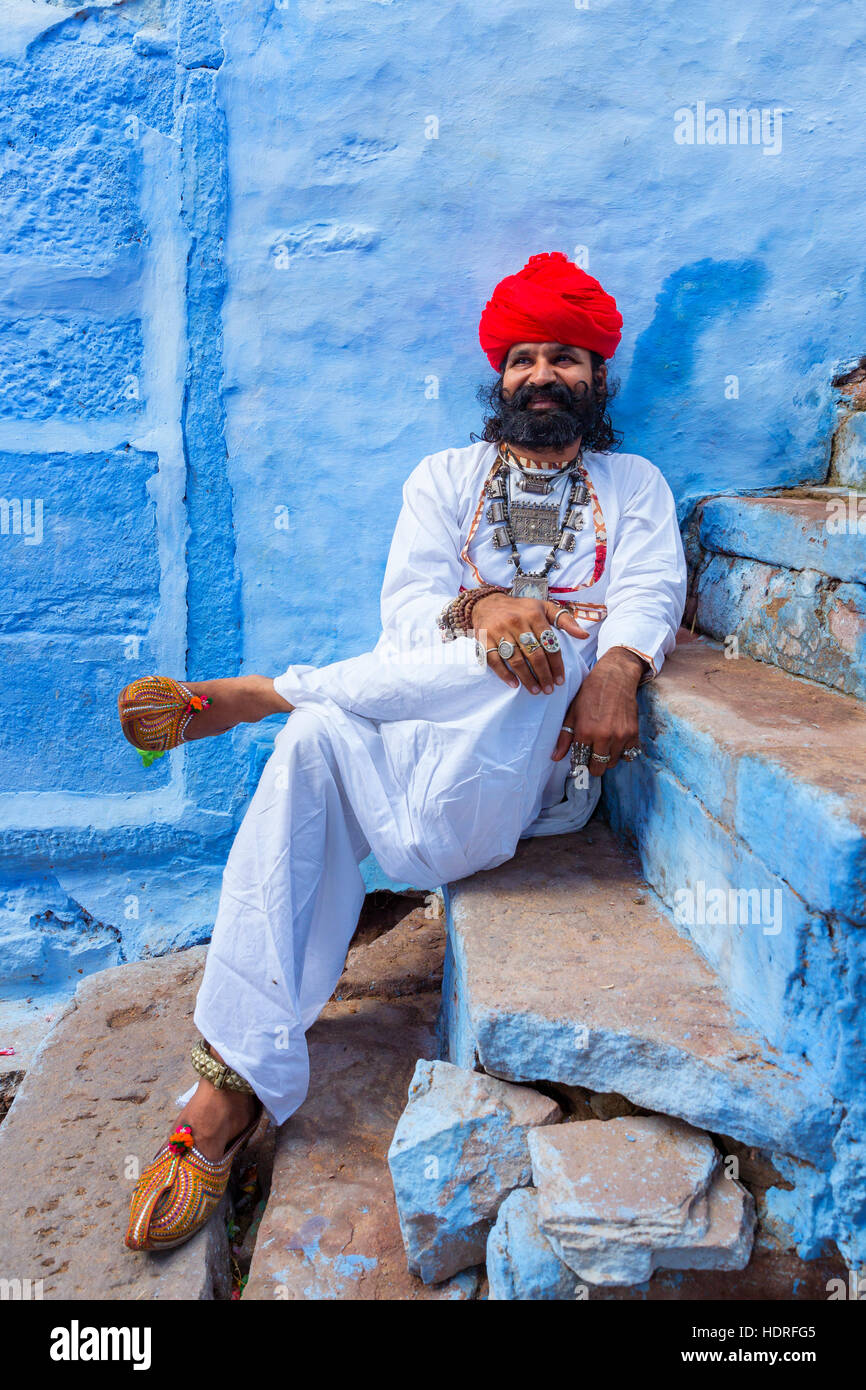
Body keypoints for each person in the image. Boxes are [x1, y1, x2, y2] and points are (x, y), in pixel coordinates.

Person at [121, 251, 687, 1251]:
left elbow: (643, 589)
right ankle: (231, 1083)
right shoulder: (443, 478)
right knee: (313, 742)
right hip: (408, 753)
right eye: (521, 359)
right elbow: (405, 634)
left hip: (519, 789)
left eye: (564, 357)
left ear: (598, 377)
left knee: (548, 646)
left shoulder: (630, 484)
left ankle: (265, 688)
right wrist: (482, 604)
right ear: (497, 377)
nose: (540, 375)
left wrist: (620, 665)